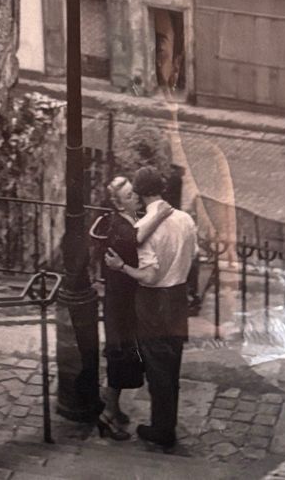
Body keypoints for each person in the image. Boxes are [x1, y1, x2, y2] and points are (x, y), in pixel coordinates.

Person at [105, 166, 197, 450]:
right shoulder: (185, 219)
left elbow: (148, 276)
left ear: (140, 193)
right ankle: (166, 424)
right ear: (162, 188)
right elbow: (193, 254)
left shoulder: (144, 229)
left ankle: (161, 430)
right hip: (178, 298)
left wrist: (123, 268)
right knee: (172, 365)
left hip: (155, 302)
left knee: (157, 367)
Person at [89, 176, 173, 440]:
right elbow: (136, 239)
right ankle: (107, 416)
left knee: (124, 358)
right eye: (128, 196)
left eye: (134, 193)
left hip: (124, 301)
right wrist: (160, 215)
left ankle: (112, 409)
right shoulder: (120, 225)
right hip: (120, 305)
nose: (135, 197)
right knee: (120, 358)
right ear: (118, 204)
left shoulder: (128, 219)